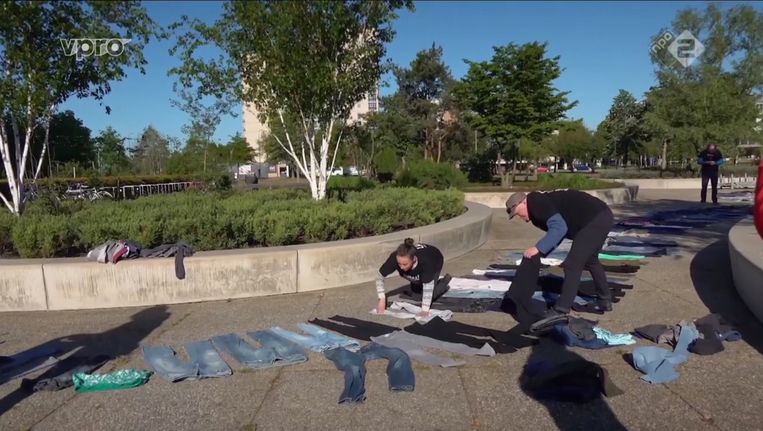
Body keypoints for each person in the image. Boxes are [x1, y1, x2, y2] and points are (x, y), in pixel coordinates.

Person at [502, 190, 614, 332]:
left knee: (572, 265)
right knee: (590, 260)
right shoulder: (538, 209)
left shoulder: (535, 202)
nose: (519, 217)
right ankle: (605, 301)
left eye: (517, 212)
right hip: (601, 216)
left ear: (523, 202)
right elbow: (560, 231)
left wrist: (539, 249)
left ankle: (561, 310)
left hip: (595, 219)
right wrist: (541, 252)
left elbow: (559, 228)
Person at [375, 238, 451, 318]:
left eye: (405, 264)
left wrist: (424, 310)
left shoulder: (426, 263)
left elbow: (428, 288)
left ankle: (444, 282)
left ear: (414, 259)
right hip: (418, 269)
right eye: (399, 264)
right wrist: (382, 299)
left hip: (435, 260)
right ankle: (418, 281)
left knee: (422, 296)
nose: (401, 267)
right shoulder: (393, 259)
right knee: (415, 294)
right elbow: (379, 276)